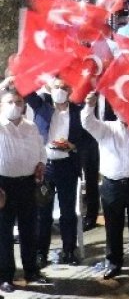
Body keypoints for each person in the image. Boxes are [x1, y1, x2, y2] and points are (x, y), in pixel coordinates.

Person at [80, 92, 129, 281]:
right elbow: (87, 122)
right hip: (112, 185)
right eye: (120, 107)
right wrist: (89, 104)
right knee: (113, 227)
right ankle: (114, 263)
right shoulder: (106, 128)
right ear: (114, 110)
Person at [27, 81, 88, 266]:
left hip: (67, 166)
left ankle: (69, 251)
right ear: (50, 89)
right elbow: (27, 92)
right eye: (56, 87)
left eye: (64, 87)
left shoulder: (78, 111)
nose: (60, 91)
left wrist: (74, 146)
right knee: (43, 212)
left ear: (70, 91)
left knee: (68, 212)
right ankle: (41, 253)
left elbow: (88, 137)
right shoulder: (42, 106)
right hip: (45, 167)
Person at [0, 90, 47, 290]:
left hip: (27, 184)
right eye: (10, 102)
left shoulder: (31, 126)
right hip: (3, 186)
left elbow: (41, 150)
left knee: (29, 229)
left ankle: (31, 270)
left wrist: (41, 163)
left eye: (18, 102)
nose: (15, 105)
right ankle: (5, 276)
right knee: (3, 233)